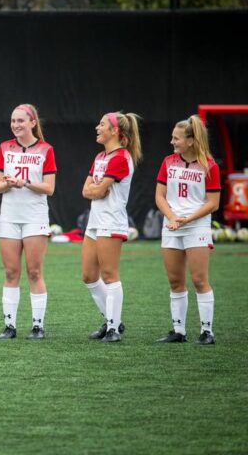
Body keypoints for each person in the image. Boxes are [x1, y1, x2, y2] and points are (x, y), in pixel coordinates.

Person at [155, 115, 220, 344]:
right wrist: (172, 217)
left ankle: (207, 332)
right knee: (175, 281)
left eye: (177, 138)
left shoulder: (209, 165)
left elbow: (213, 202)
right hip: (172, 225)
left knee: (200, 280)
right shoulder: (168, 162)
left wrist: (187, 219)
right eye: (173, 138)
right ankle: (179, 331)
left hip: (196, 226)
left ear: (191, 141)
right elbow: (159, 196)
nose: (172, 142)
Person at [0, 104, 56, 340]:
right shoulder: (4, 148)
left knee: (34, 272)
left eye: (20, 121)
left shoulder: (46, 149)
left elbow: (49, 188)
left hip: (34, 217)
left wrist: (26, 182)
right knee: (11, 272)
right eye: (13, 121)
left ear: (32, 123)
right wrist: (9, 183)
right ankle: (9, 326)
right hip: (9, 217)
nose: (16, 125)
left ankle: (37, 326)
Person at [81, 111, 142, 343]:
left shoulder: (120, 157)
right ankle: (111, 320)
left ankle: (113, 329)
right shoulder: (100, 157)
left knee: (109, 274)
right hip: (95, 221)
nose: (97, 127)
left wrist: (95, 189)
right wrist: (95, 189)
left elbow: (97, 190)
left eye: (102, 124)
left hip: (111, 221)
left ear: (115, 130)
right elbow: (87, 190)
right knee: (88, 275)